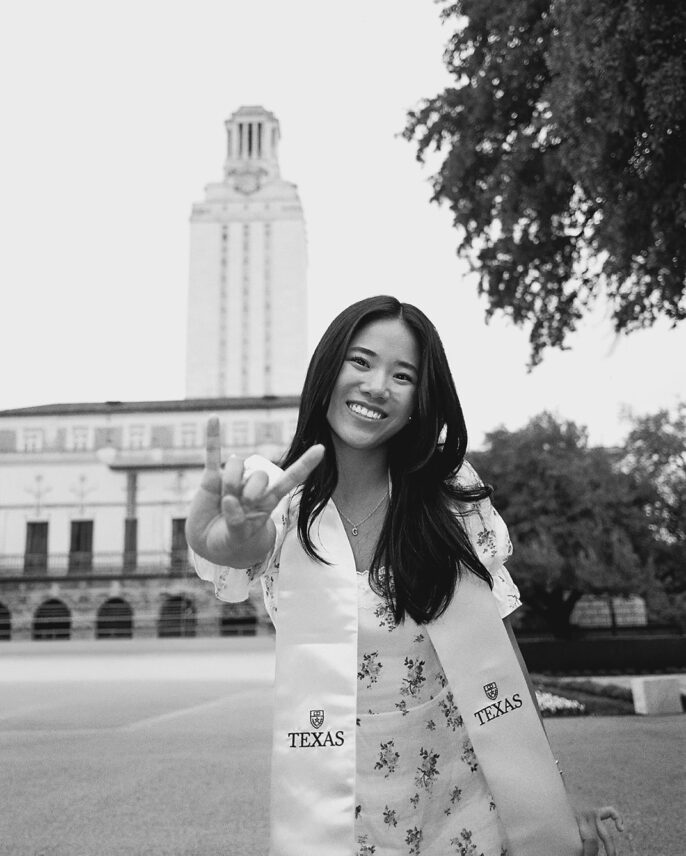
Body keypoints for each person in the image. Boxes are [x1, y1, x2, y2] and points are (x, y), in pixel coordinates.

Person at [186, 295, 624, 856]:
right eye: (361, 362)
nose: (376, 386)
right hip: (337, 807)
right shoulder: (282, 505)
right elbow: (244, 546)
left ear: (419, 399)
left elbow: (501, 657)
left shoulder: (449, 494)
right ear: (328, 370)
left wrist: (553, 795)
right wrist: (229, 541)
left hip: (466, 794)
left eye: (402, 375)